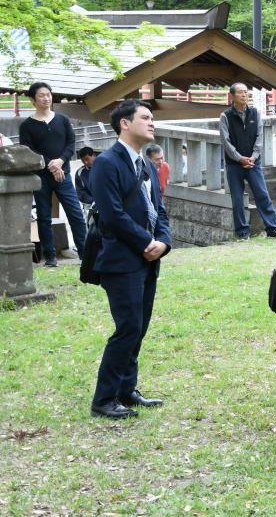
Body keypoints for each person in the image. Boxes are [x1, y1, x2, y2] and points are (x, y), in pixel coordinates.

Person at [89, 99, 171, 419]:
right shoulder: (107, 163)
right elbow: (112, 214)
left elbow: (160, 210)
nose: (152, 123)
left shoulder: (147, 164)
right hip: (120, 260)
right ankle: (104, 399)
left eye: (152, 118)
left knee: (140, 327)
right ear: (125, 123)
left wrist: (163, 241)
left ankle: (126, 388)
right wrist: (145, 241)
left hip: (149, 258)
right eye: (145, 117)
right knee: (128, 326)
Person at [19, 81, 88, 266]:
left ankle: (85, 253)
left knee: (75, 214)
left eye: (48, 94)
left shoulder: (63, 120)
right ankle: (50, 257)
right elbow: (28, 151)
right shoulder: (27, 125)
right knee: (43, 217)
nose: (46, 98)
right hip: (42, 177)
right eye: (41, 95)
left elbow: (70, 144)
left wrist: (60, 162)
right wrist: (51, 164)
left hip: (63, 175)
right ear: (33, 99)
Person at [219, 83, 276, 240]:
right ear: (232, 96)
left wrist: (253, 157)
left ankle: (273, 228)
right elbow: (226, 142)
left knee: (262, 194)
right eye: (240, 92)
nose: (244, 95)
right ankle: (242, 232)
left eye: (246, 92)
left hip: (253, 162)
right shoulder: (225, 116)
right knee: (237, 198)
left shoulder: (255, 113)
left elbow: (259, 137)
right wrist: (240, 158)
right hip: (234, 164)